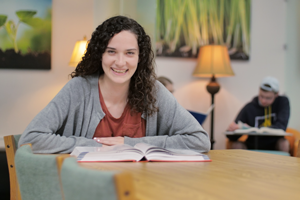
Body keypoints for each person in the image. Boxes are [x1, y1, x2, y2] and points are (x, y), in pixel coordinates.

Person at [18, 16, 210, 154]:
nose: (120, 62)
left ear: (139, 57)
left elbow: (199, 140)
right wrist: (96, 146)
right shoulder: (78, 88)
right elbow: (31, 139)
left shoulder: (154, 91)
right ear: (100, 54)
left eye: (129, 53)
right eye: (111, 52)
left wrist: (130, 144)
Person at [227, 76, 290, 152]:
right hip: (252, 145)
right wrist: (232, 130)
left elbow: (281, 126)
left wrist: (252, 129)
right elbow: (231, 136)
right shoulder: (249, 107)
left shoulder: (282, 102)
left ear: (276, 94)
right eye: (261, 96)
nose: (263, 101)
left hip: (274, 144)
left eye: (268, 98)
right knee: (236, 145)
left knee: (284, 143)